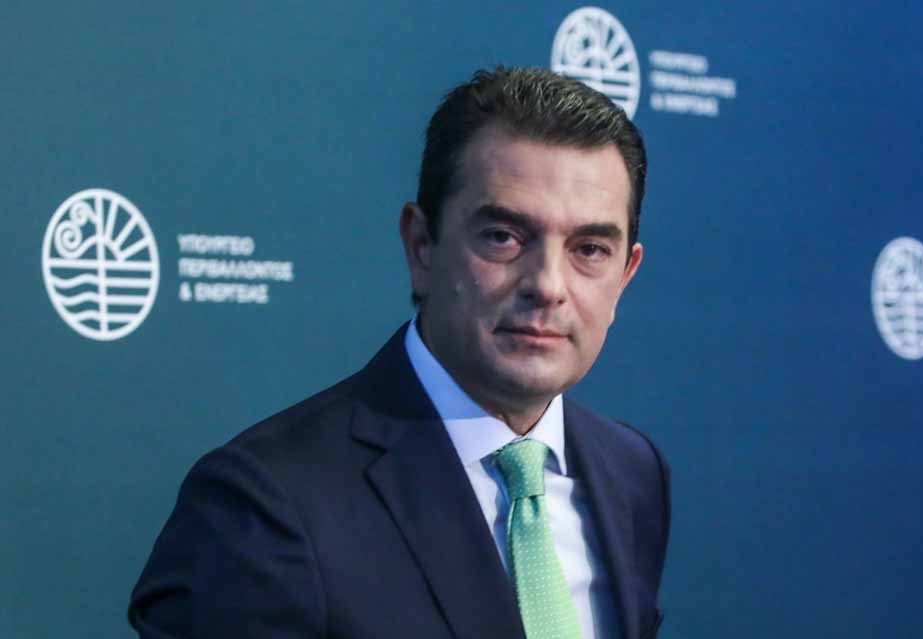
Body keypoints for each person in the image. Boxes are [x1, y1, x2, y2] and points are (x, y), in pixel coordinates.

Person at [129, 66, 670, 639]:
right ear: (421, 246)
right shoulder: (263, 506)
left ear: (625, 275)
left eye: (590, 248)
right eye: (503, 237)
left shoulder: (631, 473)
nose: (548, 285)